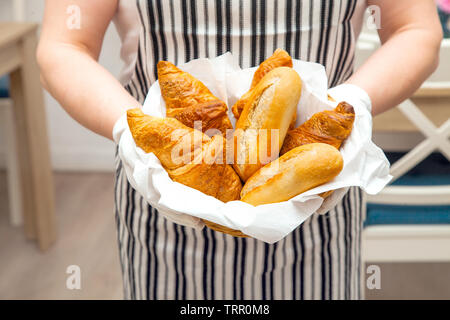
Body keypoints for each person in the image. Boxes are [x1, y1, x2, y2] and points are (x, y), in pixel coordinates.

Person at [37, 0, 442, 300]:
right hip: (163, 206)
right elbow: (65, 45)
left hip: (317, 214)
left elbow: (414, 29)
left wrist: (352, 100)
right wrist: (134, 130)